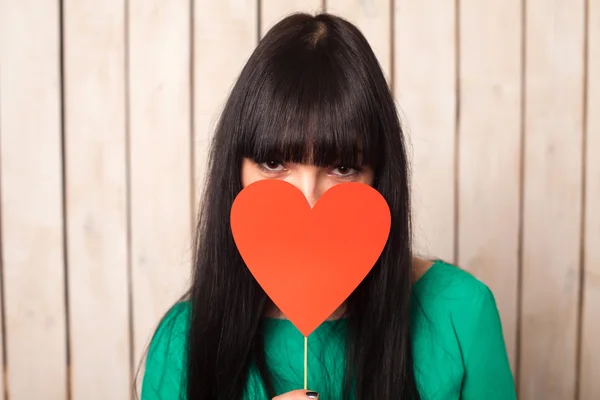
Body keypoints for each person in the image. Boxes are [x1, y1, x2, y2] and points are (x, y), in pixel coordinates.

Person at [139, 12, 516, 400]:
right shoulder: (183, 344)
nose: (308, 200)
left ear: (379, 177)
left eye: (342, 167)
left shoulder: (462, 313)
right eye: (273, 163)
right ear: (235, 171)